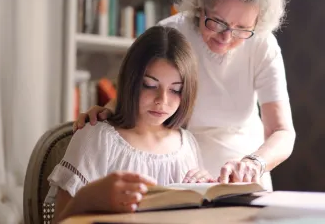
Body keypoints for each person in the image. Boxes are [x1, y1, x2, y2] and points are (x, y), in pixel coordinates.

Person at [74, 0, 296, 191]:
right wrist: (106, 112)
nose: (226, 37)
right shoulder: (170, 34)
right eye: (217, 22)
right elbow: (139, 93)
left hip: (244, 175)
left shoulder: (262, 44)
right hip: (180, 168)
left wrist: (255, 163)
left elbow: (282, 131)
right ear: (200, 6)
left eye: (242, 29)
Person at [47, 26, 213, 222]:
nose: (162, 100)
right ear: (131, 80)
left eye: (176, 90)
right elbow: (60, 220)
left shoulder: (187, 145)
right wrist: (90, 196)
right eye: (150, 86)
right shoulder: (98, 138)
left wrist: (205, 191)